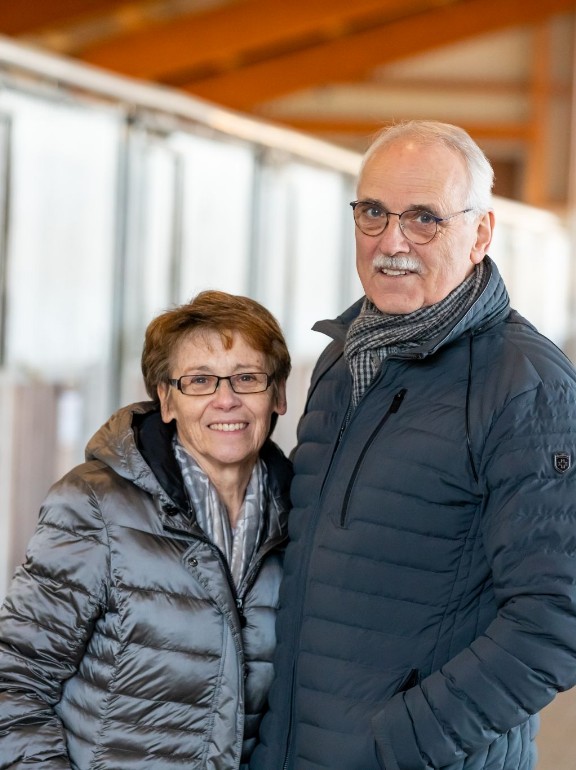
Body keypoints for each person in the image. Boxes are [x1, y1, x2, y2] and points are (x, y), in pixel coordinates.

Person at [250, 120, 576, 770]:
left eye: (425, 218)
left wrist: (403, 743)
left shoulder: (525, 385)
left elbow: (557, 617)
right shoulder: (342, 359)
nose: (391, 241)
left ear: (480, 234)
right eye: (373, 212)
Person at [0, 290, 292, 770]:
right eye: (199, 381)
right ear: (166, 399)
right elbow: (16, 683)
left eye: (247, 378)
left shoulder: (302, 517)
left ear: (277, 395)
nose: (226, 400)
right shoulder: (94, 506)